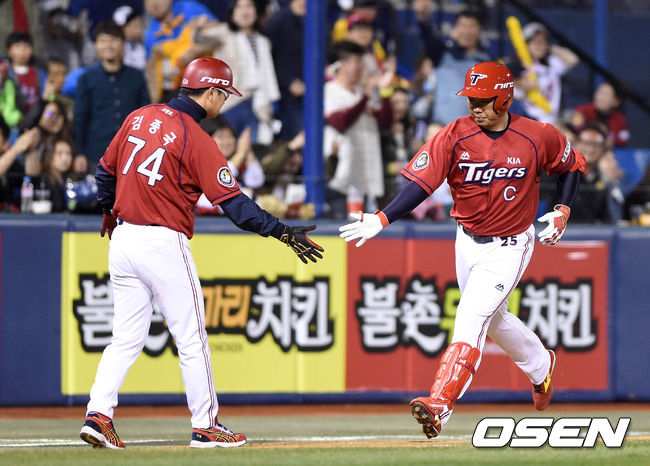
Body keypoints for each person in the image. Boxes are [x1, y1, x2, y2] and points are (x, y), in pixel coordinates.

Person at [80, 57, 324, 450]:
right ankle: (205, 425)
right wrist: (281, 232)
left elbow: (105, 172)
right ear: (210, 91)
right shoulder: (195, 137)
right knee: (192, 338)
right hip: (163, 242)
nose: (224, 101)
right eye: (223, 94)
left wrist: (109, 210)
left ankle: (98, 415)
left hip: (123, 239)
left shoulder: (139, 116)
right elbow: (236, 207)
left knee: (123, 339)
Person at [339, 62, 586, 439]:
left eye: (484, 100)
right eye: (471, 99)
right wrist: (383, 218)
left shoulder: (537, 134)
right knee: (494, 319)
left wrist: (562, 209)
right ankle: (540, 364)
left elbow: (571, 164)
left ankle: (440, 403)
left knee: (471, 316)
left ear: (504, 98)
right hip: (466, 240)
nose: (475, 106)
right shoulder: (453, 135)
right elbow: (421, 184)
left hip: (510, 244)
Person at [193, 0, 281, 145]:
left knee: (255, 148)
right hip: (231, 103)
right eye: (239, 7)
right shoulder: (225, 32)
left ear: (256, 11)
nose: (245, 11)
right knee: (227, 148)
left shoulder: (264, 41)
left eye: (249, 6)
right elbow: (200, 38)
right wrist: (199, 27)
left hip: (258, 104)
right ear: (232, 13)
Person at [323, 40, 393, 218]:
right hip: (341, 181)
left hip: (367, 178)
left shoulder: (362, 93)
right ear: (342, 64)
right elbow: (339, 122)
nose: (362, 67)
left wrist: (384, 92)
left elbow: (385, 123)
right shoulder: (329, 90)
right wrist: (365, 99)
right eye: (357, 62)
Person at [74, 20, 150, 174]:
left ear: (123, 43)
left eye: (113, 40)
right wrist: (79, 152)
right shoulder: (86, 79)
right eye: (103, 40)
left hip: (132, 153)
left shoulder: (136, 77)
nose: (108, 45)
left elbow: (146, 115)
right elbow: (80, 118)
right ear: (96, 45)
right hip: (96, 154)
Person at [416, 8, 491, 125]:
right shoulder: (442, 54)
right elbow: (429, 39)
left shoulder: (486, 60)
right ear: (455, 29)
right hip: (443, 128)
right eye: (463, 26)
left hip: (473, 129)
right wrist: (423, 17)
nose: (467, 31)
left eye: (471, 26)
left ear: (479, 30)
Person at [507, 22, 579, 124]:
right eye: (535, 42)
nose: (540, 45)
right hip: (525, 120)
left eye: (543, 41)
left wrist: (550, 48)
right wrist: (520, 83)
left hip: (550, 119)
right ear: (525, 44)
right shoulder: (515, 65)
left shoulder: (551, 63)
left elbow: (573, 59)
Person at [571, 81, 629, 147]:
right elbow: (574, 132)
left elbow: (623, 140)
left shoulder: (620, 120)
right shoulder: (582, 111)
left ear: (616, 101)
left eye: (605, 94)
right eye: (599, 92)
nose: (600, 97)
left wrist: (612, 141)